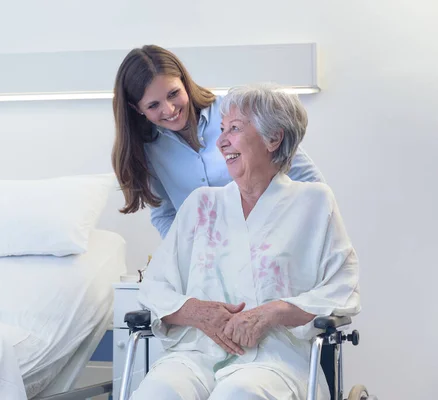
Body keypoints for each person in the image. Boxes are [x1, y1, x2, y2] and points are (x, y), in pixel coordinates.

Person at [132, 84, 361, 400]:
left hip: (273, 359)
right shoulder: (200, 205)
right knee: (159, 391)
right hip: (196, 354)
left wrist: (273, 312)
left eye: (235, 129)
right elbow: (155, 287)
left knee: (238, 394)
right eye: (222, 129)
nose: (221, 140)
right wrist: (194, 310)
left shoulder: (313, 203)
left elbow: (342, 288)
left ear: (273, 138)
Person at [111, 45, 325, 239]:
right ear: (137, 108)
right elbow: (165, 214)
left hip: (271, 243)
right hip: (207, 262)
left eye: (173, 94)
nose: (169, 110)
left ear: (185, 82)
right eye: (153, 105)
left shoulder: (236, 112)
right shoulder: (147, 149)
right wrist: (183, 257)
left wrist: (305, 237)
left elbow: (308, 179)